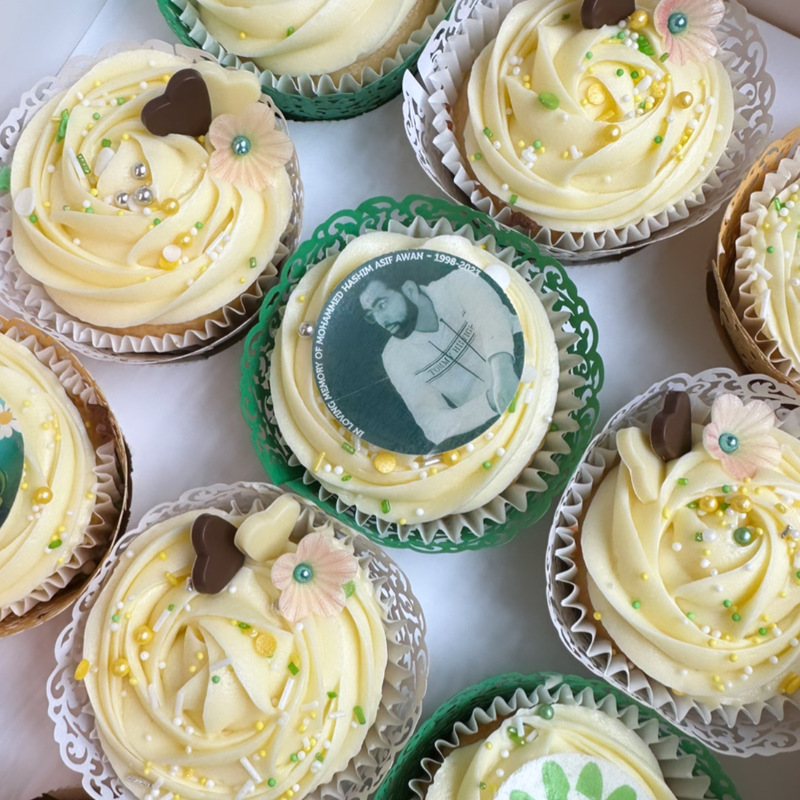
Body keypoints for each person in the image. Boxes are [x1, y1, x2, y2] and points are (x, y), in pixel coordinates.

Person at [358, 266, 521, 447]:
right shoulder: (393, 357)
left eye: (381, 305)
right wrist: (490, 401)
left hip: (528, 364)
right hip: (495, 431)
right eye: (373, 315)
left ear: (410, 290)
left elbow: (493, 320)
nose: (382, 320)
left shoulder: (458, 282)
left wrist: (504, 371)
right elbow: (433, 425)